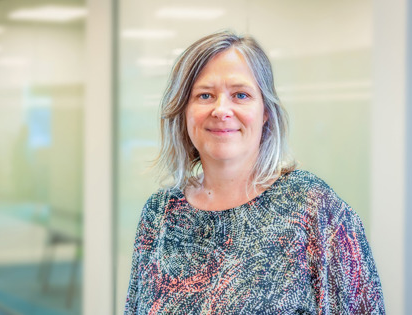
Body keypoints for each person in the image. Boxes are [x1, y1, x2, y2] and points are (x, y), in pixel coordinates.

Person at [125, 31, 384, 314]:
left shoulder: (313, 209)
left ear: (265, 112)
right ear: (184, 111)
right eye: (205, 95)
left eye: (241, 94)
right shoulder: (160, 213)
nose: (221, 109)